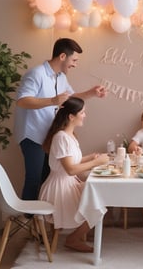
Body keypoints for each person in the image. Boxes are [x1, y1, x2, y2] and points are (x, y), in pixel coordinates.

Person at [14, 38, 107, 202]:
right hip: (32, 136)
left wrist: (91, 93)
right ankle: (29, 222)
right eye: (74, 60)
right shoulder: (36, 74)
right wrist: (51, 101)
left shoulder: (61, 77)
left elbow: (70, 97)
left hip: (49, 136)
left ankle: (42, 221)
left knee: (46, 179)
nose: (75, 64)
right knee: (34, 179)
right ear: (63, 56)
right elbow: (22, 100)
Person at [39, 97, 109, 253]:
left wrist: (90, 157)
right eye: (82, 112)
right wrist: (96, 163)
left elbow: (71, 161)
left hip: (68, 183)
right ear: (71, 116)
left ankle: (79, 234)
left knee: (98, 200)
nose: (85, 115)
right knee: (97, 206)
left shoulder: (70, 136)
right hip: (60, 188)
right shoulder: (61, 137)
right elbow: (70, 169)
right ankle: (73, 239)